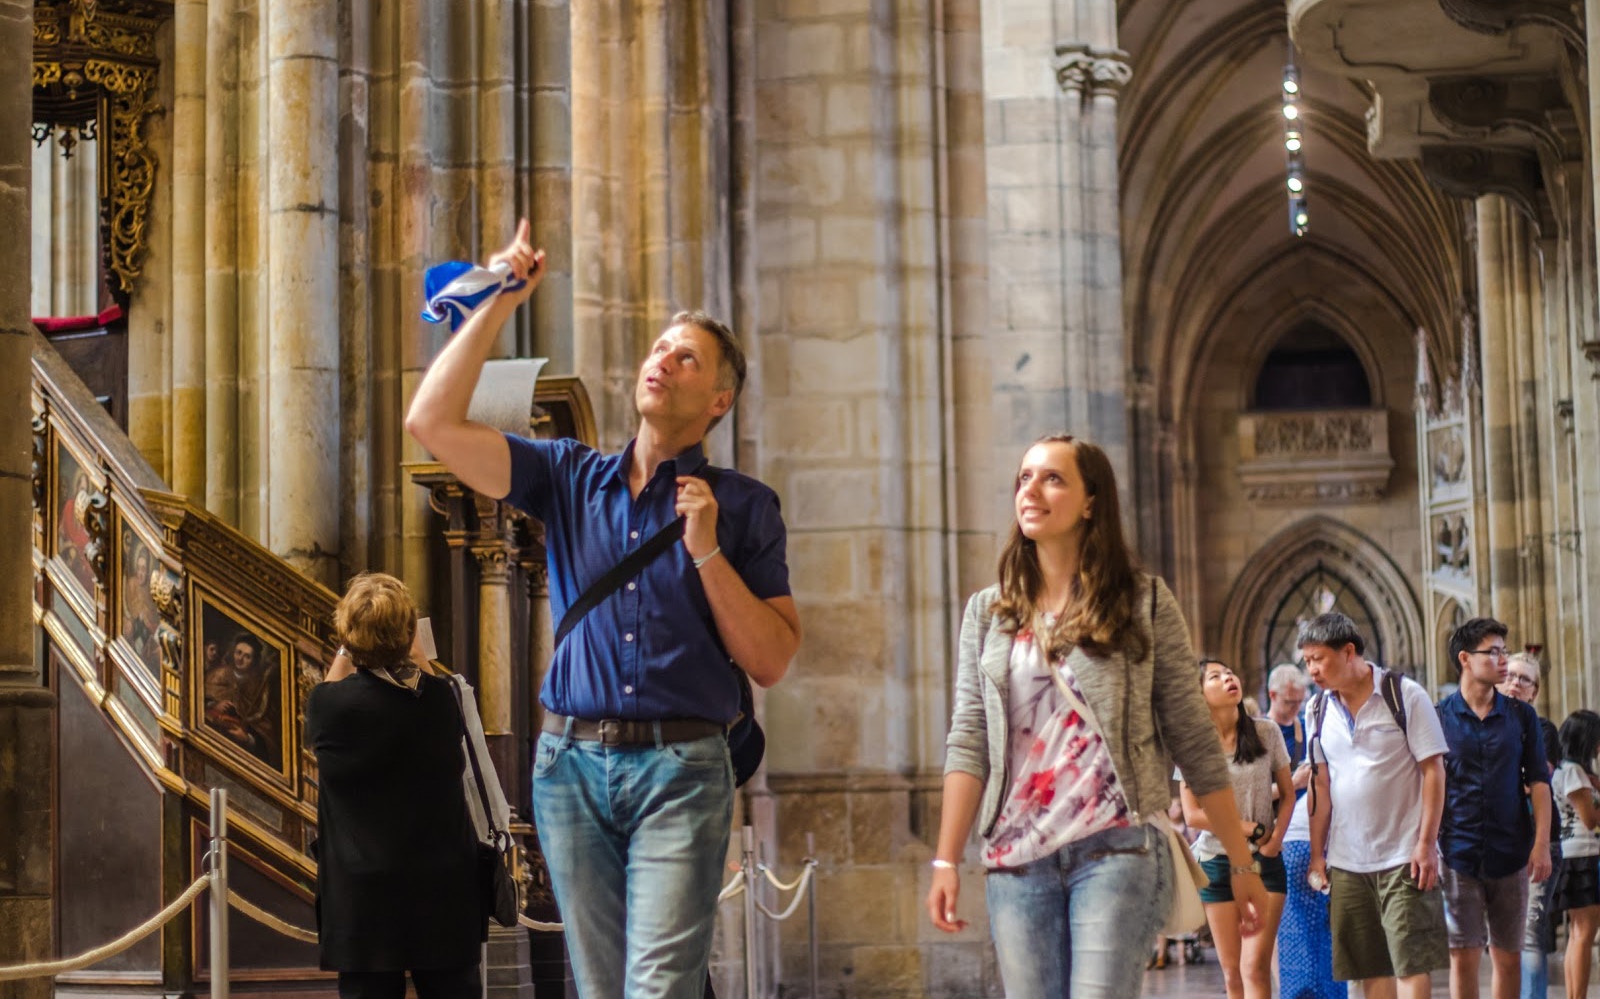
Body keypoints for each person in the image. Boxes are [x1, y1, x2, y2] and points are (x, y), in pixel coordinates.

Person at [405, 221, 801, 999]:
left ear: (719, 399)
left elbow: (772, 658)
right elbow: (432, 424)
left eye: (686, 356)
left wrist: (708, 550)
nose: (662, 360)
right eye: (658, 348)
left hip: (682, 766)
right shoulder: (568, 476)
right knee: (602, 989)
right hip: (570, 766)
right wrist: (497, 302)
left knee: (656, 987)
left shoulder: (746, 507)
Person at [927, 433, 1268, 998]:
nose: (1030, 489)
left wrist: (1242, 863)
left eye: (1052, 477)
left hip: (1117, 848)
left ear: (1091, 502)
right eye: (1024, 477)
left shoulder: (1144, 601)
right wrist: (945, 858)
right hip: (1016, 855)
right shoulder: (988, 612)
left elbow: (1194, 739)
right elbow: (969, 740)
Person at [305, 573, 486, 999]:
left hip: (362, 895)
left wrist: (354, 644)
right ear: (409, 635)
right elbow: (432, 686)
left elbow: (335, 683)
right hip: (442, 889)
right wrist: (411, 650)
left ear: (347, 636)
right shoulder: (441, 701)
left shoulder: (327, 706)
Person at [1303, 612, 1450, 999]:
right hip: (1348, 860)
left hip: (1404, 855)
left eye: (1318, 659)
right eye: (1307, 662)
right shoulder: (1316, 710)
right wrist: (1318, 855)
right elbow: (1321, 784)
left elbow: (1434, 770)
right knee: (1369, 971)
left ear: (1348, 651)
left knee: (1411, 963)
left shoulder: (1404, 695)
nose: (1312, 670)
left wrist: (1426, 843)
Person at [1435, 618, 1551, 999]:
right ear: (1465, 659)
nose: (1503, 660)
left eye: (1504, 650)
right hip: (1457, 850)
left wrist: (1541, 844)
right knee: (1463, 956)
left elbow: (1538, 782)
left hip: (1512, 850)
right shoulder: (1439, 716)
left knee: (1508, 957)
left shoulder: (1522, 717)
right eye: (1494, 652)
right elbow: (1429, 784)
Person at [1180, 659, 1294, 999]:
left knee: (1254, 967)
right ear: (1200, 695)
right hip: (1216, 863)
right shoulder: (1193, 745)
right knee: (1232, 975)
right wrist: (1246, 828)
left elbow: (1288, 795)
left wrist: (1273, 841)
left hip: (1265, 862)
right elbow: (1192, 815)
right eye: (1215, 676)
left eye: (1230, 672)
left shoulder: (1266, 732)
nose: (1229, 677)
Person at [1497, 652, 1560, 999]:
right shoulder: (1488, 725)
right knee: (1504, 937)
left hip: (1539, 840)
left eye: (1524, 680)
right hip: (1501, 843)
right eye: (1511, 677)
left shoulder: (1542, 728)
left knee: (1530, 934)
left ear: (1534, 692)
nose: (1515, 684)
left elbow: (1536, 781)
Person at [1552, 710, 1600, 999]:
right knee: (1584, 933)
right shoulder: (1573, 772)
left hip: (1574, 855)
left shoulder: (1570, 770)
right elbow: (1590, 819)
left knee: (1577, 934)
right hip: (1583, 855)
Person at [203, 631, 281, 765]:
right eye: (238, 653)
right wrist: (213, 705)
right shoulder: (218, 674)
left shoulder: (259, 688)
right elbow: (198, 697)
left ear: (254, 660)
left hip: (241, 757)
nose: (240, 659)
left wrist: (247, 738)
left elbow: (267, 733)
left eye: (247, 656)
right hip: (209, 742)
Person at [1268, 663, 1310, 771]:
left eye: (1300, 701)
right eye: (1289, 702)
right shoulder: (1259, 731)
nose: (1296, 707)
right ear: (1272, 695)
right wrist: (1295, 783)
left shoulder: (1308, 727)